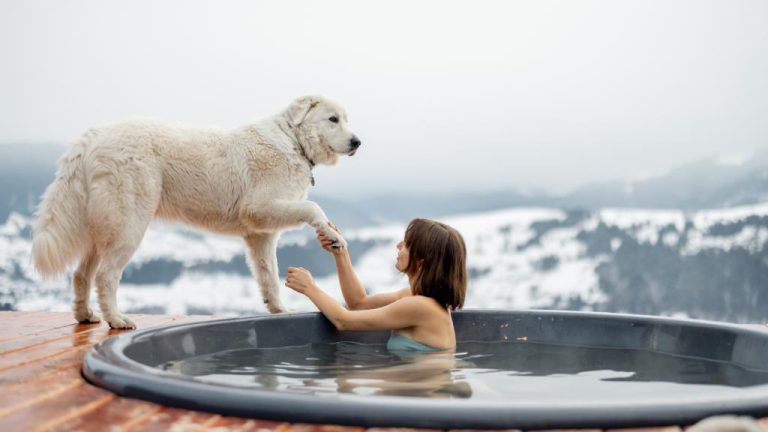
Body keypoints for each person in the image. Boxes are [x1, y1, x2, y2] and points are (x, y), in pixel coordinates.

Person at [285, 218, 467, 352]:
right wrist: (341, 253)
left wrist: (310, 288)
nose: (398, 245)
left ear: (420, 262)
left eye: (407, 244)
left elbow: (343, 321)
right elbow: (358, 303)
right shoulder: (414, 298)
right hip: (416, 387)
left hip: (424, 392)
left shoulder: (421, 306)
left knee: (345, 380)